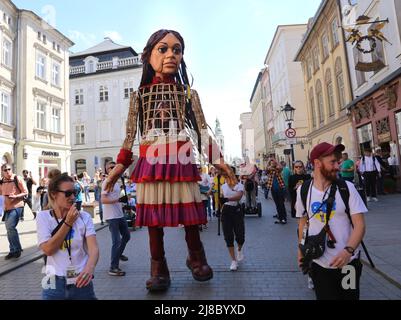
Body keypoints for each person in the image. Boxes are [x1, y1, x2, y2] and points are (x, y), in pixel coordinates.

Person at [104, 29, 236, 292]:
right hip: (151, 163)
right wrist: (118, 168)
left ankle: (195, 256)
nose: (171, 55)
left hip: (181, 160)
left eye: (177, 50)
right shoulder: (139, 96)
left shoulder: (188, 94)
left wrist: (220, 163)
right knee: (154, 222)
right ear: (148, 55)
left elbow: (201, 133)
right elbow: (130, 136)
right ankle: (158, 265)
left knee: (190, 217)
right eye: (163, 49)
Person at [296, 142, 367, 300]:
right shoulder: (303, 190)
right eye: (332, 162)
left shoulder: (347, 188)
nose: (337, 166)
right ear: (317, 163)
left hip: (348, 264)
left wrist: (347, 251)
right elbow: (303, 223)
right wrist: (301, 249)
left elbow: (360, 225)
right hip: (319, 264)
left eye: (338, 162)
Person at [36, 170, 99, 300]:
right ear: (54, 194)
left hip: (81, 281)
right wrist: (68, 223)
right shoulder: (43, 217)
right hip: (53, 282)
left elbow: (94, 249)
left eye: (74, 192)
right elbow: (48, 249)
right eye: (68, 193)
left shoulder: (84, 217)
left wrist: (89, 268)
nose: (72, 197)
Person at [101, 161, 131, 276]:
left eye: (115, 167)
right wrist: (118, 200)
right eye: (111, 167)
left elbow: (116, 197)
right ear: (107, 170)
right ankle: (113, 267)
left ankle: (118, 254)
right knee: (116, 241)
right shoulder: (107, 182)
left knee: (127, 236)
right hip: (111, 216)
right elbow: (103, 200)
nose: (113, 169)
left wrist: (123, 200)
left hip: (119, 214)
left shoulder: (117, 182)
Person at [0, 164, 28, 260]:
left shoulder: (17, 178)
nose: (7, 171)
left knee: (10, 227)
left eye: (9, 169)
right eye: (5, 170)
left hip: (17, 206)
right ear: (2, 171)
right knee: (9, 229)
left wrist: (16, 196)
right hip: (7, 208)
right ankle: (12, 250)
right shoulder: (1, 181)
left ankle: (17, 249)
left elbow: (25, 192)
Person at [220, 167, 245, 271]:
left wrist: (226, 198)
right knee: (228, 236)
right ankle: (233, 261)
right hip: (226, 211)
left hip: (237, 210)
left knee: (240, 236)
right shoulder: (223, 186)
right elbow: (221, 198)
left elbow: (239, 196)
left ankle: (239, 249)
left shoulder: (240, 185)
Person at [266, 159, 287, 224]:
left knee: (281, 204)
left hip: (280, 188)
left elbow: (280, 167)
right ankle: (280, 218)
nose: (272, 164)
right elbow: (267, 169)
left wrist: (276, 162)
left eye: (273, 163)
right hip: (273, 189)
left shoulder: (278, 169)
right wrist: (269, 162)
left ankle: (284, 218)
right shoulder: (269, 171)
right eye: (271, 163)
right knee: (277, 204)